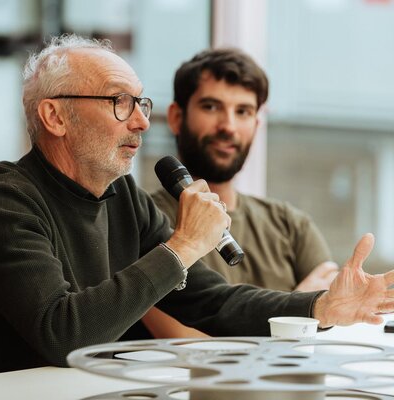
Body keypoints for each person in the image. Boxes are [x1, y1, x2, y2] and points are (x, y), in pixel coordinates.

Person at [0, 34, 393, 374]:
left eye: (140, 103)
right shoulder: (8, 198)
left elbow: (214, 303)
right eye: (119, 101)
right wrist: (183, 245)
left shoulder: (124, 197)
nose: (141, 122)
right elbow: (61, 333)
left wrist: (322, 307)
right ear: (55, 116)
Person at [142, 48, 340, 338]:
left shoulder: (291, 225)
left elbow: (331, 318)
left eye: (243, 112)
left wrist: (310, 312)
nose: (228, 126)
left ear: (256, 125)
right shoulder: (143, 222)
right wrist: (298, 311)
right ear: (175, 117)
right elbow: (192, 347)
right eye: (211, 107)